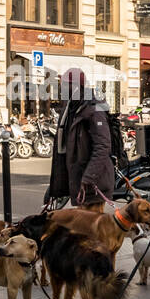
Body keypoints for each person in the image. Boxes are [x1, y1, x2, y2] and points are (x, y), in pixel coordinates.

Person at [44, 67, 114, 209]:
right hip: (79, 181)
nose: (61, 88)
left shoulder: (94, 108)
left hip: (93, 185)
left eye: (64, 84)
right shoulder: (71, 108)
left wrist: (89, 177)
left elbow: (103, 145)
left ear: (76, 87)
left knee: (90, 228)